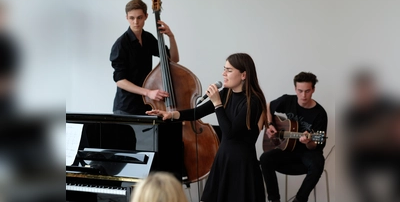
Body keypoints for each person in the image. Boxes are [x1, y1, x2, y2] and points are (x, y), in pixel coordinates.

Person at [146, 53, 267, 202]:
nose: (223, 74)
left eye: (229, 70)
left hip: (242, 164)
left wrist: (217, 104)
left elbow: (229, 133)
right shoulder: (226, 93)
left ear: (243, 75)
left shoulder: (253, 101)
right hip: (224, 158)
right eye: (224, 69)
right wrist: (170, 114)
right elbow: (198, 112)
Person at [260, 71, 328, 202]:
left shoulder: (320, 113)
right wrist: (269, 124)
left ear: (313, 89)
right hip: (287, 150)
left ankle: (300, 199)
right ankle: (274, 200)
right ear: (295, 89)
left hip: (307, 153)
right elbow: (268, 106)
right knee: (265, 158)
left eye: (307, 91)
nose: (303, 95)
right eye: (300, 90)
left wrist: (308, 141)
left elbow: (316, 145)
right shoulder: (288, 101)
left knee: (318, 163)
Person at [110, 0, 179, 115]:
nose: (136, 22)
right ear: (127, 17)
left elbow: (173, 59)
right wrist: (148, 92)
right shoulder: (120, 44)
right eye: (132, 18)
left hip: (146, 105)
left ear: (146, 16)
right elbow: (120, 81)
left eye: (139, 17)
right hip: (126, 107)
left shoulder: (148, 38)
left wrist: (171, 36)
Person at [342, 69, 400, 202]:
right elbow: (355, 139)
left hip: (390, 151)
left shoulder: (388, 104)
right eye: (361, 90)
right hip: (367, 155)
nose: (365, 93)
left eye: (368, 88)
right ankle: (369, 199)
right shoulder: (352, 113)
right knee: (353, 160)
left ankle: (393, 197)